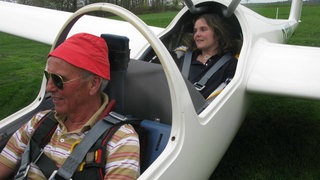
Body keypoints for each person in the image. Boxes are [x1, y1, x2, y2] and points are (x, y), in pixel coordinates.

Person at [0, 33, 140, 179]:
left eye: (58, 80)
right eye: (48, 77)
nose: (49, 88)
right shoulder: (39, 122)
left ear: (93, 84)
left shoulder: (121, 140)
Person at [175, 13, 239, 99]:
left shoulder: (230, 64)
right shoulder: (185, 56)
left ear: (217, 33)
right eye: (195, 31)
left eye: (203, 29)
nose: (197, 34)